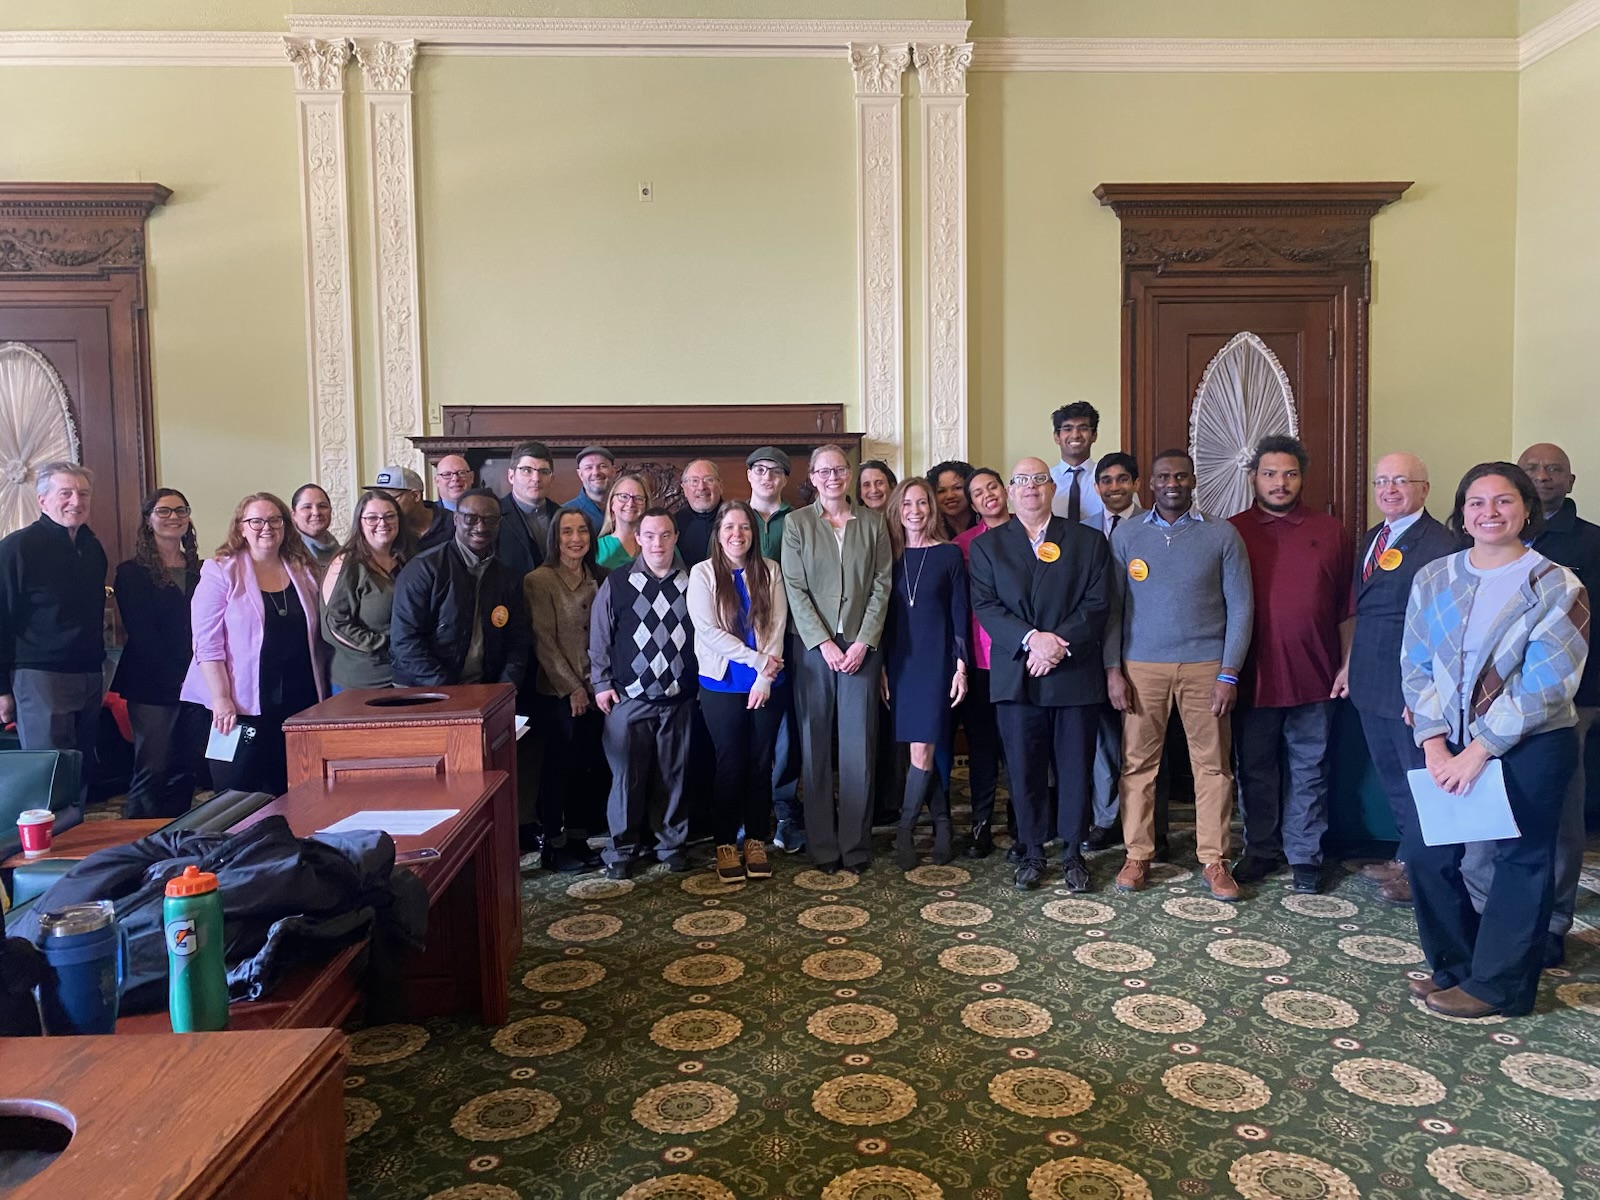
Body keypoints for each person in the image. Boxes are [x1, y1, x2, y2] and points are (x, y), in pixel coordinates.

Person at [1399, 462, 1589, 1019]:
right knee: (1426, 855)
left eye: (1503, 501)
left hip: (1530, 744)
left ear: (1526, 509)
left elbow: (1547, 685)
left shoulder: (1557, 584)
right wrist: (1436, 745)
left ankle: (1499, 986)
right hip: (1447, 743)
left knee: (1520, 861)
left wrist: (1479, 750)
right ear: (1462, 513)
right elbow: (1416, 663)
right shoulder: (1435, 576)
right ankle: (1456, 970)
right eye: (1477, 503)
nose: (1489, 513)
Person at [1458, 443, 1600, 966]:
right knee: (1485, 820)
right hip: (1478, 710)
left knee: (1553, 819)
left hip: (1563, 701)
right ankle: (1487, 919)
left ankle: (1553, 923)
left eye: (1553, 469)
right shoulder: (1460, 562)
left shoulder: (1586, 546)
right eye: (1532, 468)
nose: (1542, 476)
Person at [1105, 449, 1253, 900]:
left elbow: (1241, 607)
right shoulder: (1127, 534)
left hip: (1206, 666)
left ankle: (1214, 860)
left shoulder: (1222, 535)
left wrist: (1229, 673)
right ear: (1149, 484)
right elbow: (1113, 609)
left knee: (1212, 767)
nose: (1174, 483)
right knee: (1137, 766)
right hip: (1140, 666)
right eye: (1164, 476)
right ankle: (1137, 855)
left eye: (1182, 476)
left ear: (1193, 481)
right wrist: (1113, 668)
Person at [970, 459, 1110, 890]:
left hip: (1073, 672)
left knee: (1074, 768)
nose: (1030, 487)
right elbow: (987, 607)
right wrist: (1033, 640)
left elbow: (1099, 603)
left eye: (1039, 480)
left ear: (1053, 489)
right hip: (1018, 674)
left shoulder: (1088, 541)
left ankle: (1072, 852)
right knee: (1023, 769)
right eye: (1021, 481)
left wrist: (1056, 644)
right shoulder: (988, 546)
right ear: (1010, 493)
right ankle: (1031, 850)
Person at [1229, 436, 1355, 894]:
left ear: (1302, 478)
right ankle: (1260, 849)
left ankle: (1305, 855)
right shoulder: (1233, 530)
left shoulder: (1331, 531)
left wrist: (1346, 664)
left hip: (1317, 677)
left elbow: (1347, 608)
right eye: (1270, 474)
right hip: (1253, 680)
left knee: (1311, 769)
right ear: (1253, 478)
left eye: (1290, 474)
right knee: (1254, 770)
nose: (1280, 483)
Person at [1332, 452, 1457, 906]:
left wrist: (1426, 694)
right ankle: (1408, 856)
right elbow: (1363, 610)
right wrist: (1349, 666)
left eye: (1401, 481)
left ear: (1424, 488)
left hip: (1410, 688)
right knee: (1393, 779)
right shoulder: (1373, 537)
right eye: (1382, 481)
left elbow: (1443, 629)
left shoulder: (1441, 545)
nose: (1389, 489)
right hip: (1369, 680)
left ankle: (1424, 872)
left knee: (1419, 780)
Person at [783, 444, 893, 874]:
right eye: (823, 471)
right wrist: (824, 643)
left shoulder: (873, 523)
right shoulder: (797, 524)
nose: (832, 477)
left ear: (849, 475)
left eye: (840, 469)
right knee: (814, 746)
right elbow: (795, 588)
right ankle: (823, 846)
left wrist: (864, 641)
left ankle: (856, 846)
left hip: (862, 649)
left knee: (859, 748)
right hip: (814, 649)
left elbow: (883, 584)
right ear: (812, 477)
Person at [181, 492, 328, 795]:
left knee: (293, 786)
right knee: (236, 786)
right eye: (256, 521)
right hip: (239, 707)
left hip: (297, 701)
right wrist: (221, 698)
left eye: (275, 520)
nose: (267, 527)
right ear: (241, 528)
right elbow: (207, 643)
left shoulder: (303, 569)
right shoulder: (220, 570)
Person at [591, 508, 698, 878]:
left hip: (678, 697)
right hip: (628, 699)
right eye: (649, 535)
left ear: (675, 538)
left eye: (665, 535)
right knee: (626, 777)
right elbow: (600, 637)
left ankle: (670, 843)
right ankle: (621, 849)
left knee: (674, 774)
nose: (657, 543)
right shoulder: (617, 582)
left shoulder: (693, 580)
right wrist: (601, 683)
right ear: (638, 539)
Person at [688, 501, 787, 880]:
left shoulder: (770, 571)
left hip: (765, 683)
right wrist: (756, 661)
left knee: (761, 764)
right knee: (730, 764)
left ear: (754, 533)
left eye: (744, 527)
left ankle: (756, 838)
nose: (737, 535)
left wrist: (765, 676)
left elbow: (777, 625)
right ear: (718, 533)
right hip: (721, 683)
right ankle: (725, 841)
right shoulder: (703, 574)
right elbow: (709, 632)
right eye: (729, 527)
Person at [0, 463, 108, 803]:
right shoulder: (18, 548)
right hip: (40, 674)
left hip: (89, 672)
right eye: (66, 493)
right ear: (43, 499)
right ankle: (44, 852)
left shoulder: (92, 548)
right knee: (48, 774)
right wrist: (2, 690)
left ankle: (78, 844)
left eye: (83, 493)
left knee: (80, 767)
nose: (76, 501)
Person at [881, 478, 968, 868]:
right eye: (907, 505)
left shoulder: (949, 555)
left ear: (931, 509)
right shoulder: (889, 557)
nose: (915, 511)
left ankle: (904, 831)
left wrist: (961, 666)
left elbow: (959, 617)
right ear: (897, 511)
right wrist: (882, 666)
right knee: (920, 749)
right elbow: (881, 619)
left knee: (923, 747)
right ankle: (944, 826)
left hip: (937, 662)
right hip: (901, 662)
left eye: (922, 504)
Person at [111, 488, 206, 818]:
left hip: (197, 682)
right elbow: (143, 634)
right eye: (164, 511)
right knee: (153, 767)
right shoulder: (131, 572)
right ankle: (137, 840)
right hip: (152, 683)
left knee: (187, 767)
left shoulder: (203, 569)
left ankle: (175, 835)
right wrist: (179, 678)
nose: (174, 517)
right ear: (148, 520)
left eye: (181, 510)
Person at [525, 506, 608, 874]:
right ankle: (554, 846)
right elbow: (543, 642)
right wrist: (572, 688)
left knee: (585, 768)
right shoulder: (539, 580)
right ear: (555, 538)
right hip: (559, 695)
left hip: (596, 691)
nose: (576, 539)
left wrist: (596, 685)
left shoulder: (600, 578)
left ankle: (578, 839)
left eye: (582, 532)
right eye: (567, 532)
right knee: (558, 771)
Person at [389, 488, 532, 690]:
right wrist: (449, 690)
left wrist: (505, 688)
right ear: (456, 519)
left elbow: (517, 640)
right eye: (471, 518)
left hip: (485, 690)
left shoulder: (507, 577)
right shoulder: (424, 569)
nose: (481, 527)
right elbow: (405, 641)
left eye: (490, 519)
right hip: (425, 689)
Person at [1083, 452, 1144, 852]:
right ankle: (1106, 819)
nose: (1115, 487)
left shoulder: (1156, 526)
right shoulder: (1082, 532)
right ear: (1097, 486)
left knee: (1145, 740)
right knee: (1104, 739)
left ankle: (1145, 820)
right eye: (1106, 480)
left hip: (1143, 647)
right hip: (1095, 651)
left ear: (1136, 483)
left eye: (1123, 479)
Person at [747, 446, 805, 854]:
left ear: (785, 479)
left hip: (791, 639)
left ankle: (785, 810)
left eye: (776, 472)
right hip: (741, 642)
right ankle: (749, 814)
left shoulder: (799, 520)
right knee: (746, 731)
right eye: (760, 470)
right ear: (749, 475)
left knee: (787, 732)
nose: (768, 477)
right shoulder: (733, 518)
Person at [953, 468, 1012, 858]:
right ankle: (981, 824)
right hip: (979, 658)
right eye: (978, 493)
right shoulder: (962, 545)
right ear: (972, 505)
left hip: (1021, 659)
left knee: (1023, 748)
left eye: (992, 487)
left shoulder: (1033, 536)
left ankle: (1024, 824)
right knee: (982, 747)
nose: (987, 495)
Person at [321, 490, 414, 691]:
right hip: (360, 683)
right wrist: (384, 645)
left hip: (406, 677)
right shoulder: (346, 563)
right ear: (359, 522)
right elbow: (335, 625)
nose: (382, 523)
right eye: (372, 517)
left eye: (390, 516)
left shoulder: (408, 559)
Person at [498, 440, 561, 577]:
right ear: (511, 476)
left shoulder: (561, 515)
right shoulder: (495, 516)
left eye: (544, 471)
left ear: (552, 478)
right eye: (527, 471)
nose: (536, 478)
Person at [1049, 402, 1105, 526]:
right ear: (1056, 437)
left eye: (1083, 428)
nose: (1075, 435)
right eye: (1067, 429)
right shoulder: (1046, 481)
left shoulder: (1108, 479)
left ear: (1094, 435)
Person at [595, 474, 653, 570]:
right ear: (612, 504)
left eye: (638, 498)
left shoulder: (659, 542)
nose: (630, 504)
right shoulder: (597, 548)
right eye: (624, 497)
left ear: (645, 506)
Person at [675, 459, 724, 567]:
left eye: (708, 480)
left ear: (720, 486)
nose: (701, 487)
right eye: (694, 481)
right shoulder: (673, 524)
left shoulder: (735, 519)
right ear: (684, 489)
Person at [421, 455, 474, 551]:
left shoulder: (485, 513)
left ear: (471, 478)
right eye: (447, 474)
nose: (455, 479)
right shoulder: (428, 516)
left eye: (461, 473)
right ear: (437, 481)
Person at [372, 465, 433, 546]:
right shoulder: (382, 531)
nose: (384, 506)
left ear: (415, 496)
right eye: (381, 499)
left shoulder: (451, 523)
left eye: (391, 499)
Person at [291, 484, 339, 573]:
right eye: (307, 507)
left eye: (322, 506)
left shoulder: (345, 555)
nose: (316, 512)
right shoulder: (287, 555)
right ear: (294, 515)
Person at [572, 445, 617, 535]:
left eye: (602, 466)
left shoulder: (627, 508)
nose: (596, 472)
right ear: (580, 474)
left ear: (613, 471)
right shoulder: (566, 512)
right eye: (588, 468)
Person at [927, 460, 976, 540]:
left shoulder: (986, 522)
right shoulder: (931, 530)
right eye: (941, 491)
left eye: (957, 488)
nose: (950, 496)